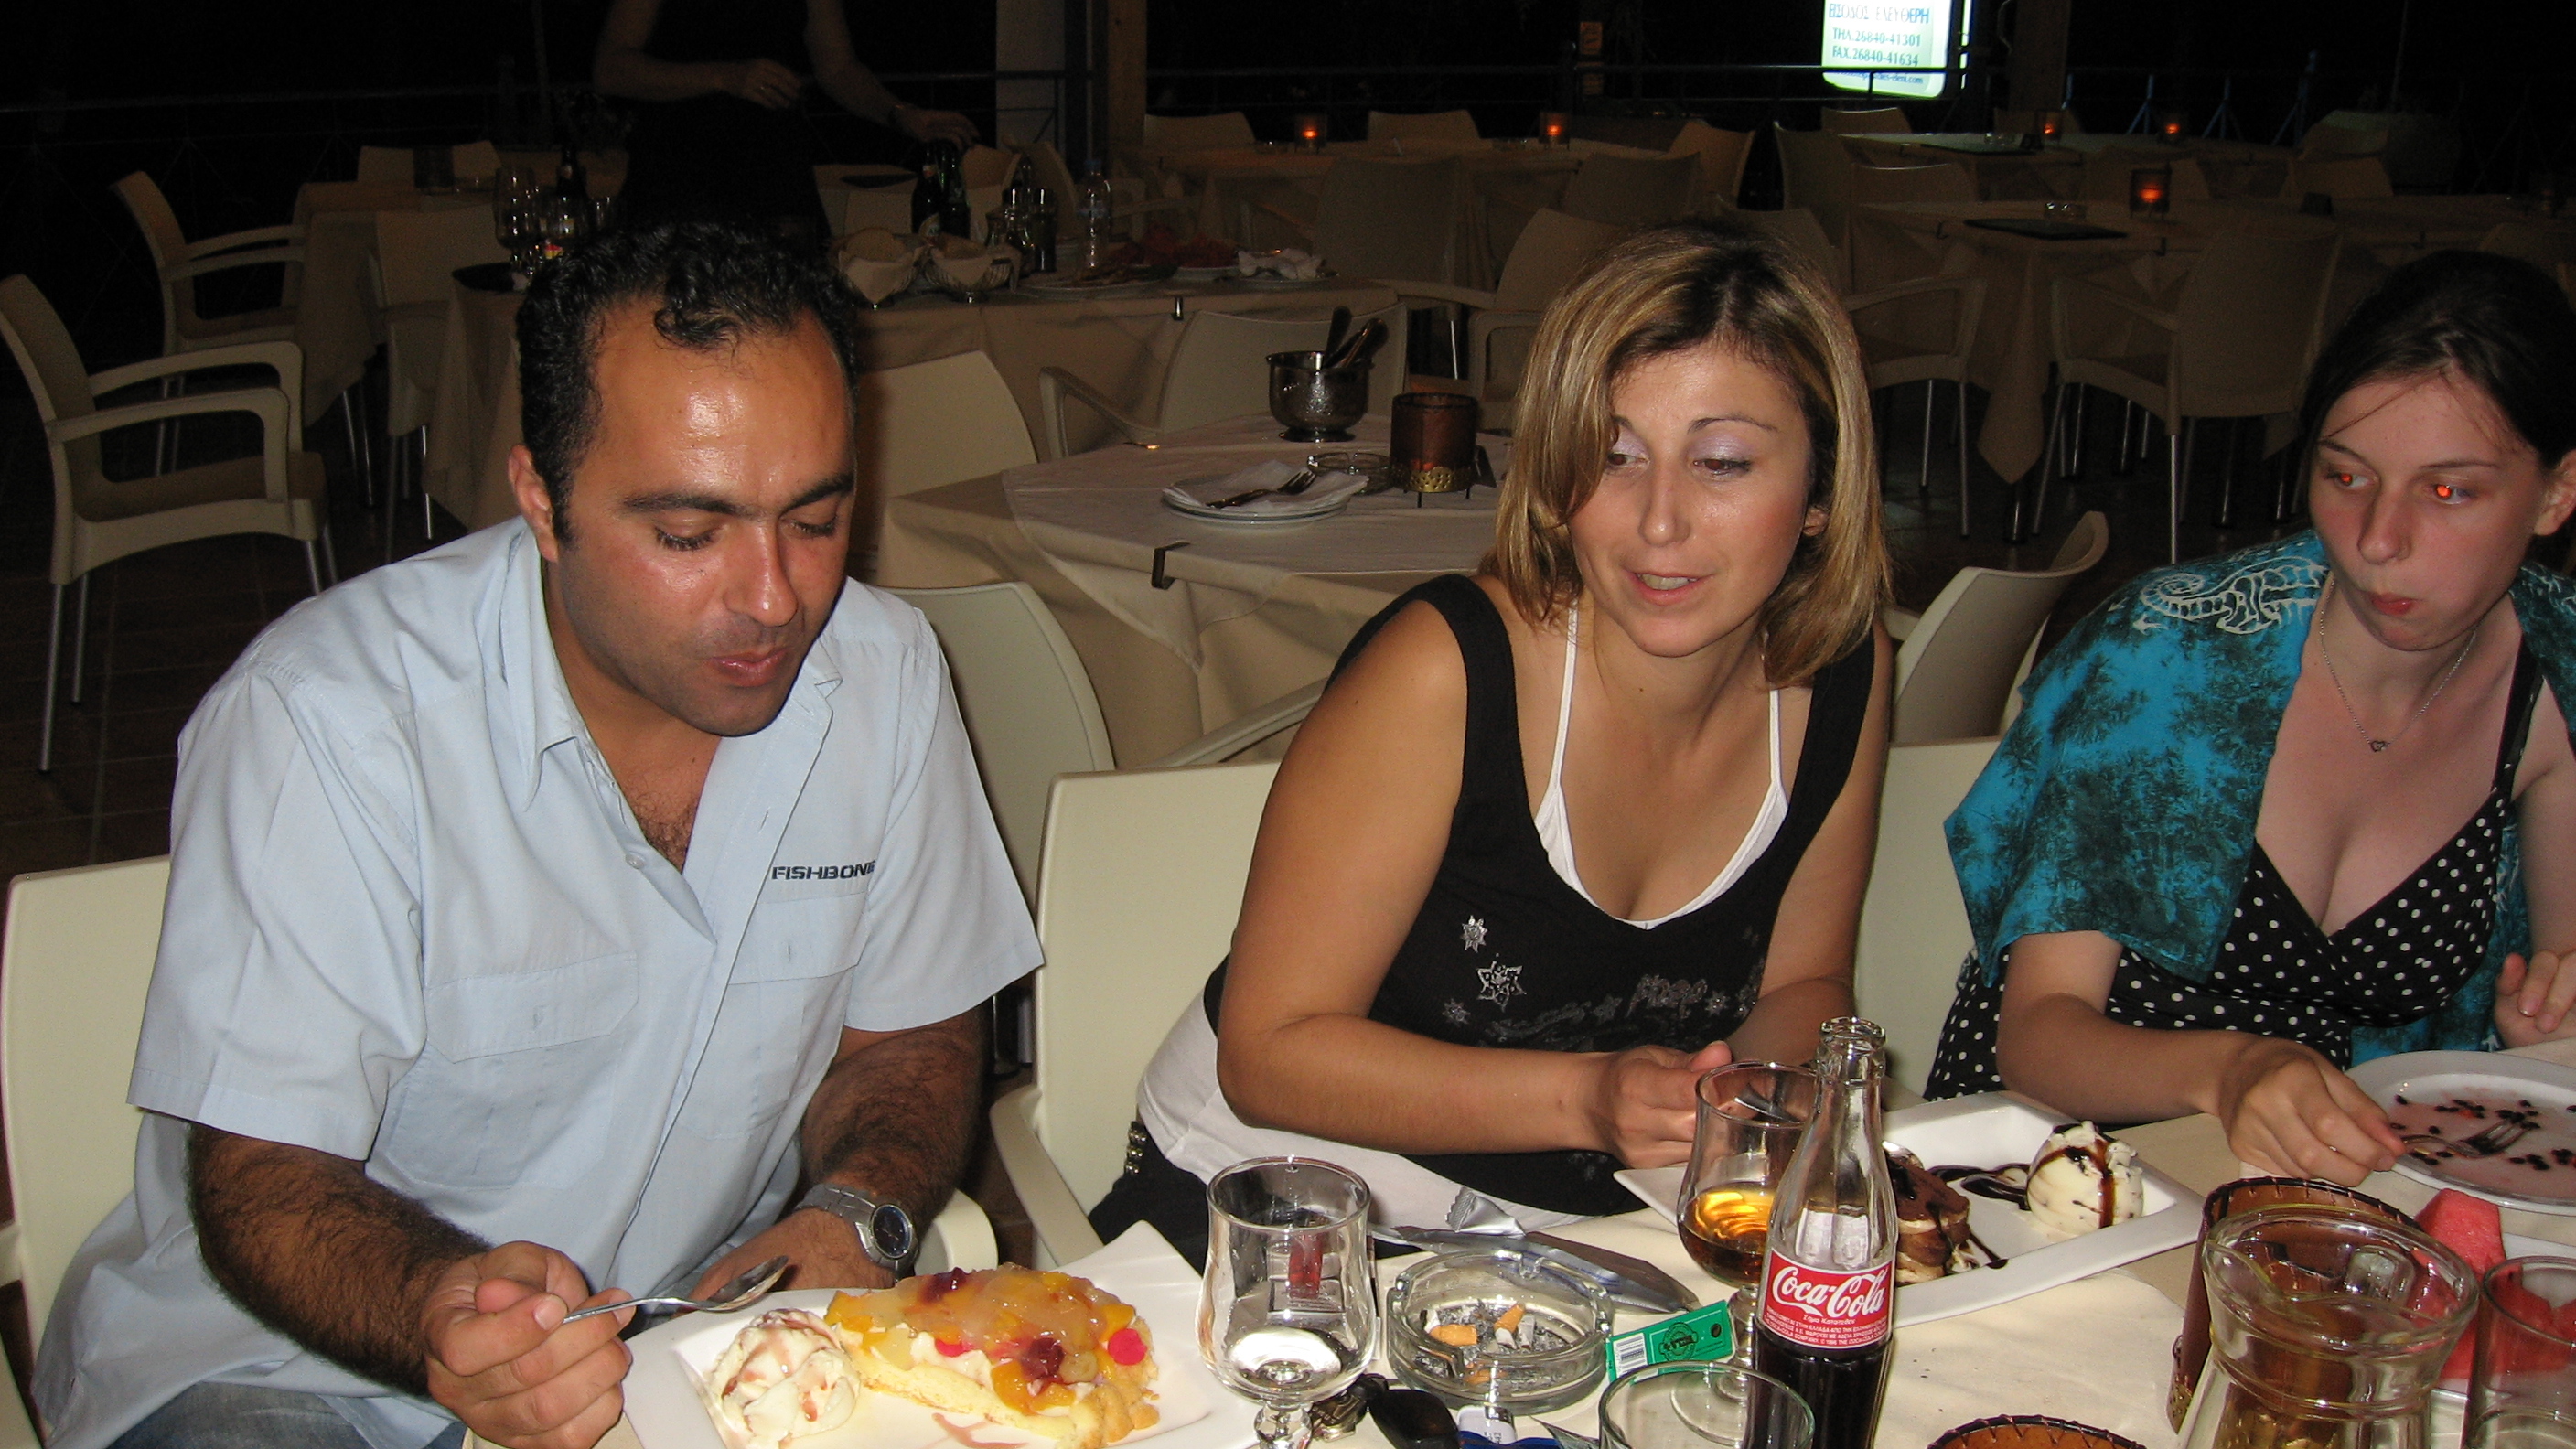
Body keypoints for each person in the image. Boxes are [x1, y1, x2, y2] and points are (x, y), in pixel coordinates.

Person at [34, 222, 1037, 1449]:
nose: (774, 598)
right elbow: (264, 1180)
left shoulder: (884, 676)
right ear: (539, 504)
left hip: (678, 1349)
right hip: (286, 1376)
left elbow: (912, 1033)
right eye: (689, 535)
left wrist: (855, 1213)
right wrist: (439, 1308)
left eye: (816, 520)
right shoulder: (332, 722)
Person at [1090, 220, 1894, 1262]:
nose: (1659, 521)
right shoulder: (1448, 670)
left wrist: (1745, 1111)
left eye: (1723, 463)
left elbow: (1800, 988)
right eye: (1611, 457)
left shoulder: (1843, 673)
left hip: (1591, 1236)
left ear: (1822, 491)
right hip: (1282, 1207)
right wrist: (1591, 1099)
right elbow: (1268, 1057)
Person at [1926, 250, 2576, 1186]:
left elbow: (2551, 996)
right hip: (2055, 1172)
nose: (2378, 539)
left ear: (2555, 492)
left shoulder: (2553, 683)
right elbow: (2034, 1039)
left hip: (2331, 1189)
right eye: (2345, 476)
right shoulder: (2168, 658)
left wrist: (2535, 1033)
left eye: (2446, 492)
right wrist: (2233, 1071)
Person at [596, 0, 981, 243]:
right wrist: (724, 76)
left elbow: (838, 68)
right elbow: (611, 69)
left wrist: (903, 114)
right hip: (678, 176)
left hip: (774, 177)